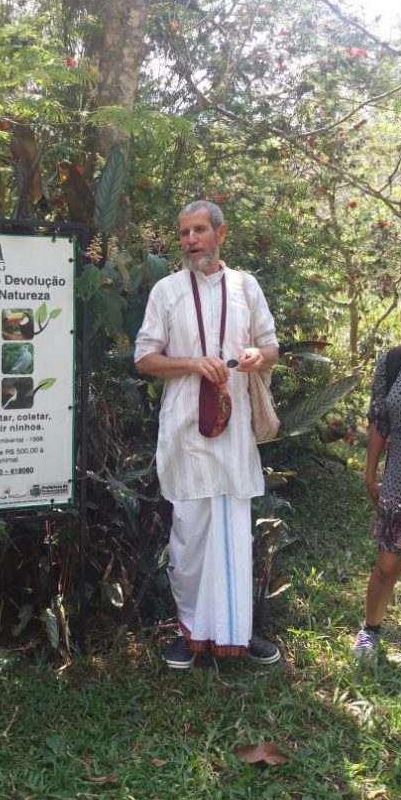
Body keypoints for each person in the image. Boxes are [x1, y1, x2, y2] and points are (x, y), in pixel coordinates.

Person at [134, 200, 280, 668]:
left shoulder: (246, 286)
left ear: (221, 233)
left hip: (234, 429)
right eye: (184, 232)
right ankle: (190, 631)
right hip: (186, 431)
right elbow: (143, 359)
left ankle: (239, 632)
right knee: (189, 536)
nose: (190, 239)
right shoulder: (166, 290)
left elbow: (271, 345)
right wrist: (192, 363)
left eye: (199, 230)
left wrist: (260, 357)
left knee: (236, 530)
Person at [353, 282, 401, 659]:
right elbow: (379, 421)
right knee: (387, 562)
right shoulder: (392, 362)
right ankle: (370, 630)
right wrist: (370, 473)